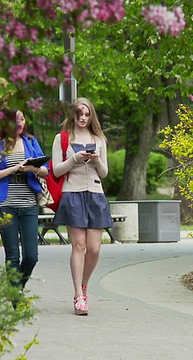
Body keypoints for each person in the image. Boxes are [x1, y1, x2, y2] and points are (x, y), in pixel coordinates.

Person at [51, 97, 112, 316]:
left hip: (95, 193)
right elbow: (56, 170)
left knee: (94, 248)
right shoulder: (62, 139)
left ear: (91, 115)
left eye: (87, 114)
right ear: (73, 115)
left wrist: (96, 161)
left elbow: (104, 173)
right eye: (79, 114)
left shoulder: (99, 139)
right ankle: (78, 295)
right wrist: (74, 158)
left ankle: (84, 285)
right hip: (72, 193)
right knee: (79, 246)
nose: (83, 118)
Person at [0, 108, 48, 304]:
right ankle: (15, 299)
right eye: (16, 120)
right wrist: (12, 169)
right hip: (6, 205)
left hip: (29, 204)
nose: (20, 123)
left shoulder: (31, 142)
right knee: (12, 256)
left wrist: (31, 168)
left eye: (22, 118)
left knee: (31, 256)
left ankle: (15, 289)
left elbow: (45, 171)